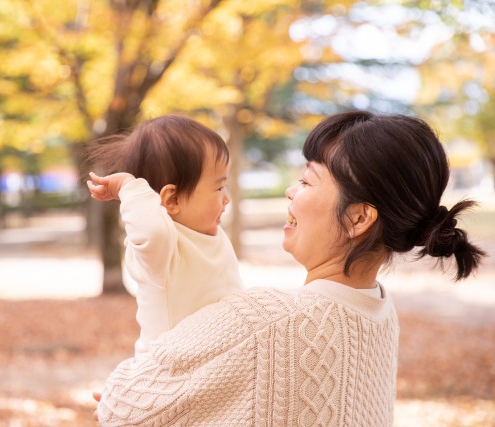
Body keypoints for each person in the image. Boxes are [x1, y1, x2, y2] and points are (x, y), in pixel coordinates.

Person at [94, 110, 485, 426]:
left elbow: (122, 409)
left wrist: (116, 393)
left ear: (358, 219)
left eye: (306, 180)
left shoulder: (263, 322)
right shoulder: (379, 312)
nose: (290, 190)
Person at [86, 114, 243, 357]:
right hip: (166, 373)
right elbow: (153, 230)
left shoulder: (208, 234)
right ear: (171, 199)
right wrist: (128, 187)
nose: (226, 198)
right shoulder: (160, 250)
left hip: (212, 366)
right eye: (219, 187)